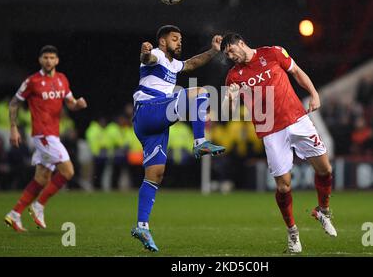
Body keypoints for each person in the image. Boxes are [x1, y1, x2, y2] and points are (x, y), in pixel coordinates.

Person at [220, 33, 337, 253]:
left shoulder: (272, 52)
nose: (231, 56)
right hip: (271, 132)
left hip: (298, 120)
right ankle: (293, 233)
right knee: (283, 186)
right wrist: (231, 97)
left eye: (232, 51)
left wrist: (313, 94)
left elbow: (297, 72)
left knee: (325, 169)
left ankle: (323, 210)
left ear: (241, 43)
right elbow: (227, 111)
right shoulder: (234, 76)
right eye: (227, 55)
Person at [131, 25, 225, 252]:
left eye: (180, 39)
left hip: (152, 124)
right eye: (175, 39)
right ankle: (199, 142)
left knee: (155, 174)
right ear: (162, 42)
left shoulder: (173, 64)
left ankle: (142, 226)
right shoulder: (157, 55)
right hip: (149, 110)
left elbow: (192, 63)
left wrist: (213, 51)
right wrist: (144, 52)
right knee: (201, 91)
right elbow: (147, 57)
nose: (179, 42)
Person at [4, 45, 87, 232]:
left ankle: (15, 214)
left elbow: (70, 104)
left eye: (52, 57)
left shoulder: (62, 79)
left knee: (41, 178)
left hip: (53, 134)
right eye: (45, 57)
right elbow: (14, 103)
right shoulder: (32, 81)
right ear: (40, 60)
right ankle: (39, 205)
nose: (48, 60)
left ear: (57, 60)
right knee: (68, 172)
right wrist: (13, 128)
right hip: (43, 135)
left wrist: (78, 105)